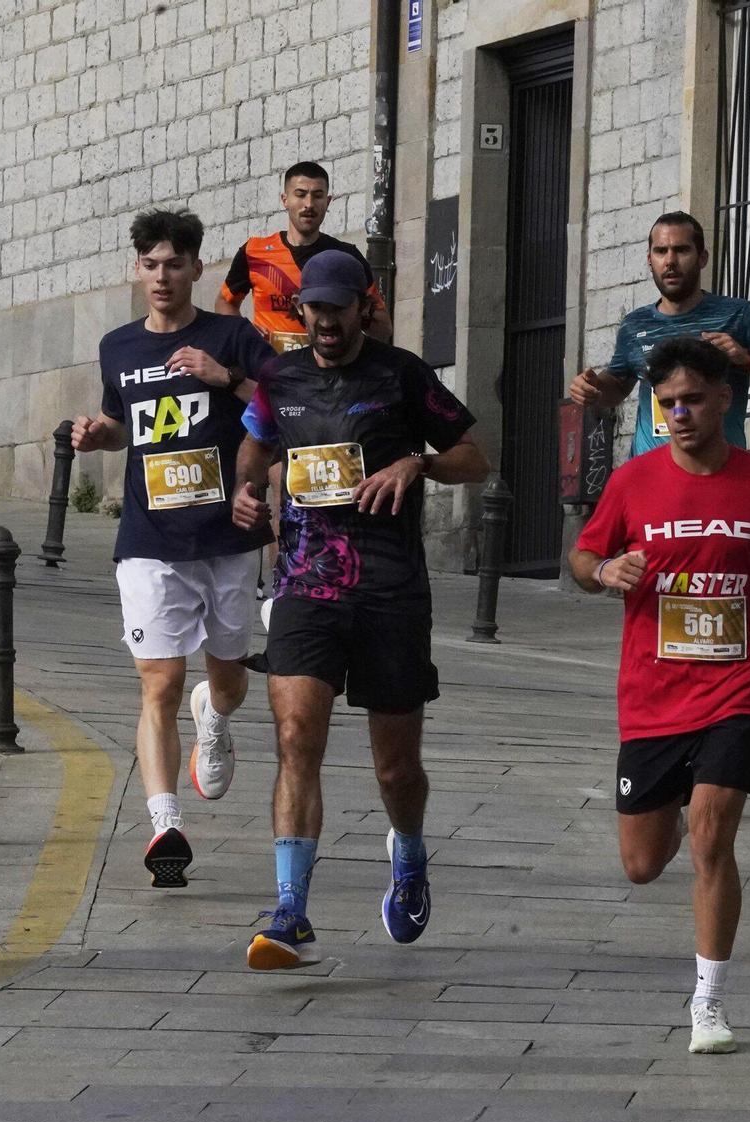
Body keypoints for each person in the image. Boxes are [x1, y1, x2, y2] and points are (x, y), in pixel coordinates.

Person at [230, 249, 490, 970]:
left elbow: (476, 456)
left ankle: (408, 853)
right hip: (305, 585)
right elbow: (255, 446)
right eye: (313, 309)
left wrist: (420, 463)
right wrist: (246, 491)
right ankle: (290, 910)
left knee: (394, 770)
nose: (324, 322)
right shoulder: (280, 377)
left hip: (389, 589)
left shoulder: (402, 375)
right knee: (295, 738)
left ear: (364, 307)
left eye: (337, 310)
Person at [568, 335, 750, 1055]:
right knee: (643, 864)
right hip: (652, 691)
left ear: (724, 401)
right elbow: (583, 556)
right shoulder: (633, 482)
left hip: (738, 682)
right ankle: (669, 817)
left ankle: (708, 1002)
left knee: (714, 832)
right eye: (668, 402)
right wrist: (604, 569)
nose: (679, 413)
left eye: (693, 401)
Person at [71, 209, 274, 887]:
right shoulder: (119, 348)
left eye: (174, 265)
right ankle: (165, 824)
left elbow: (287, 403)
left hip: (227, 535)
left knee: (230, 679)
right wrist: (94, 435)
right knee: (158, 681)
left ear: (195, 269)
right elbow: (121, 424)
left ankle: (213, 719)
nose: (162, 277)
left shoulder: (233, 336)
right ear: (139, 269)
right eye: (151, 265)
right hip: (150, 539)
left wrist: (226, 377)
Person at [570, 211, 750, 457]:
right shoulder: (634, 325)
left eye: (681, 250)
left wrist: (748, 360)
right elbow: (617, 386)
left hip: (717, 477)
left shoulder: (739, 315)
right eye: (661, 251)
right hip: (653, 482)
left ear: (702, 258)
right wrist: (593, 388)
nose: (670, 261)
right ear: (650, 259)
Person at [217, 161, 393, 353]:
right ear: (285, 199)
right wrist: (243, 332)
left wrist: (351, 321)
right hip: (268, 368)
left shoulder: (346, 257)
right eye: (300, 194)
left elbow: (383, 328)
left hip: (326, 371)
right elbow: (225, 302)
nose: (309, 204)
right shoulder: (254, 251)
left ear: (328, 201)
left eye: (317, 196)